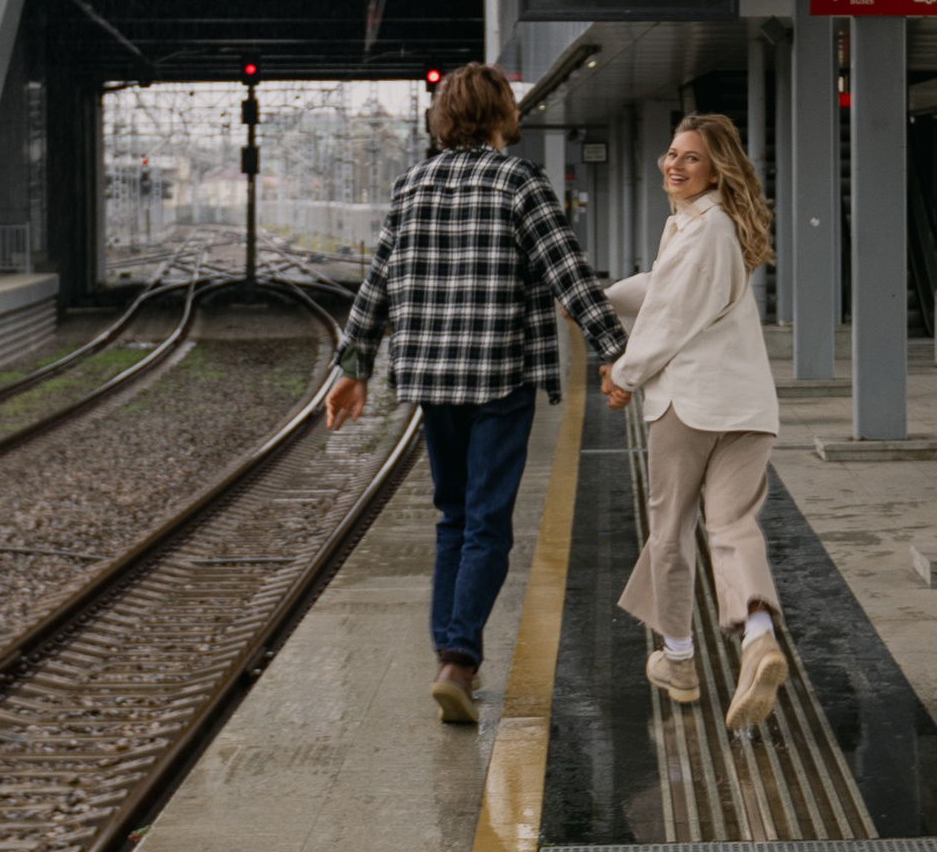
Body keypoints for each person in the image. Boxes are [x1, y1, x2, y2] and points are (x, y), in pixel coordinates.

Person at [327, 59, 627, 725]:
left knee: (454, 517)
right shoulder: (520, 182)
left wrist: (354, 366)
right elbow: (570, 275)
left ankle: (451, 657)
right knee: (488, 522)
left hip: (433, 381)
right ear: (502, 115)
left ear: (443, 119)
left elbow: (376, 285)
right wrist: (615, 351)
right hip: (499, 377)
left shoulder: (411, 186)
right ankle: (458, 658)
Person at [604, 114, 789, 738]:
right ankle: (758, 639)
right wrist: (600, 299)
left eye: (692, 158)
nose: (674, 165)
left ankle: (680, 661)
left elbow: (670, 318)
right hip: (748, 408)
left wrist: (624, 375)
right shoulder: (712, 226)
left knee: (671, 529)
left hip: (690, 405)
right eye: (672, 153)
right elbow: (664, 289)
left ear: (717, 171)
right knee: (732, 525)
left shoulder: (706, 228)